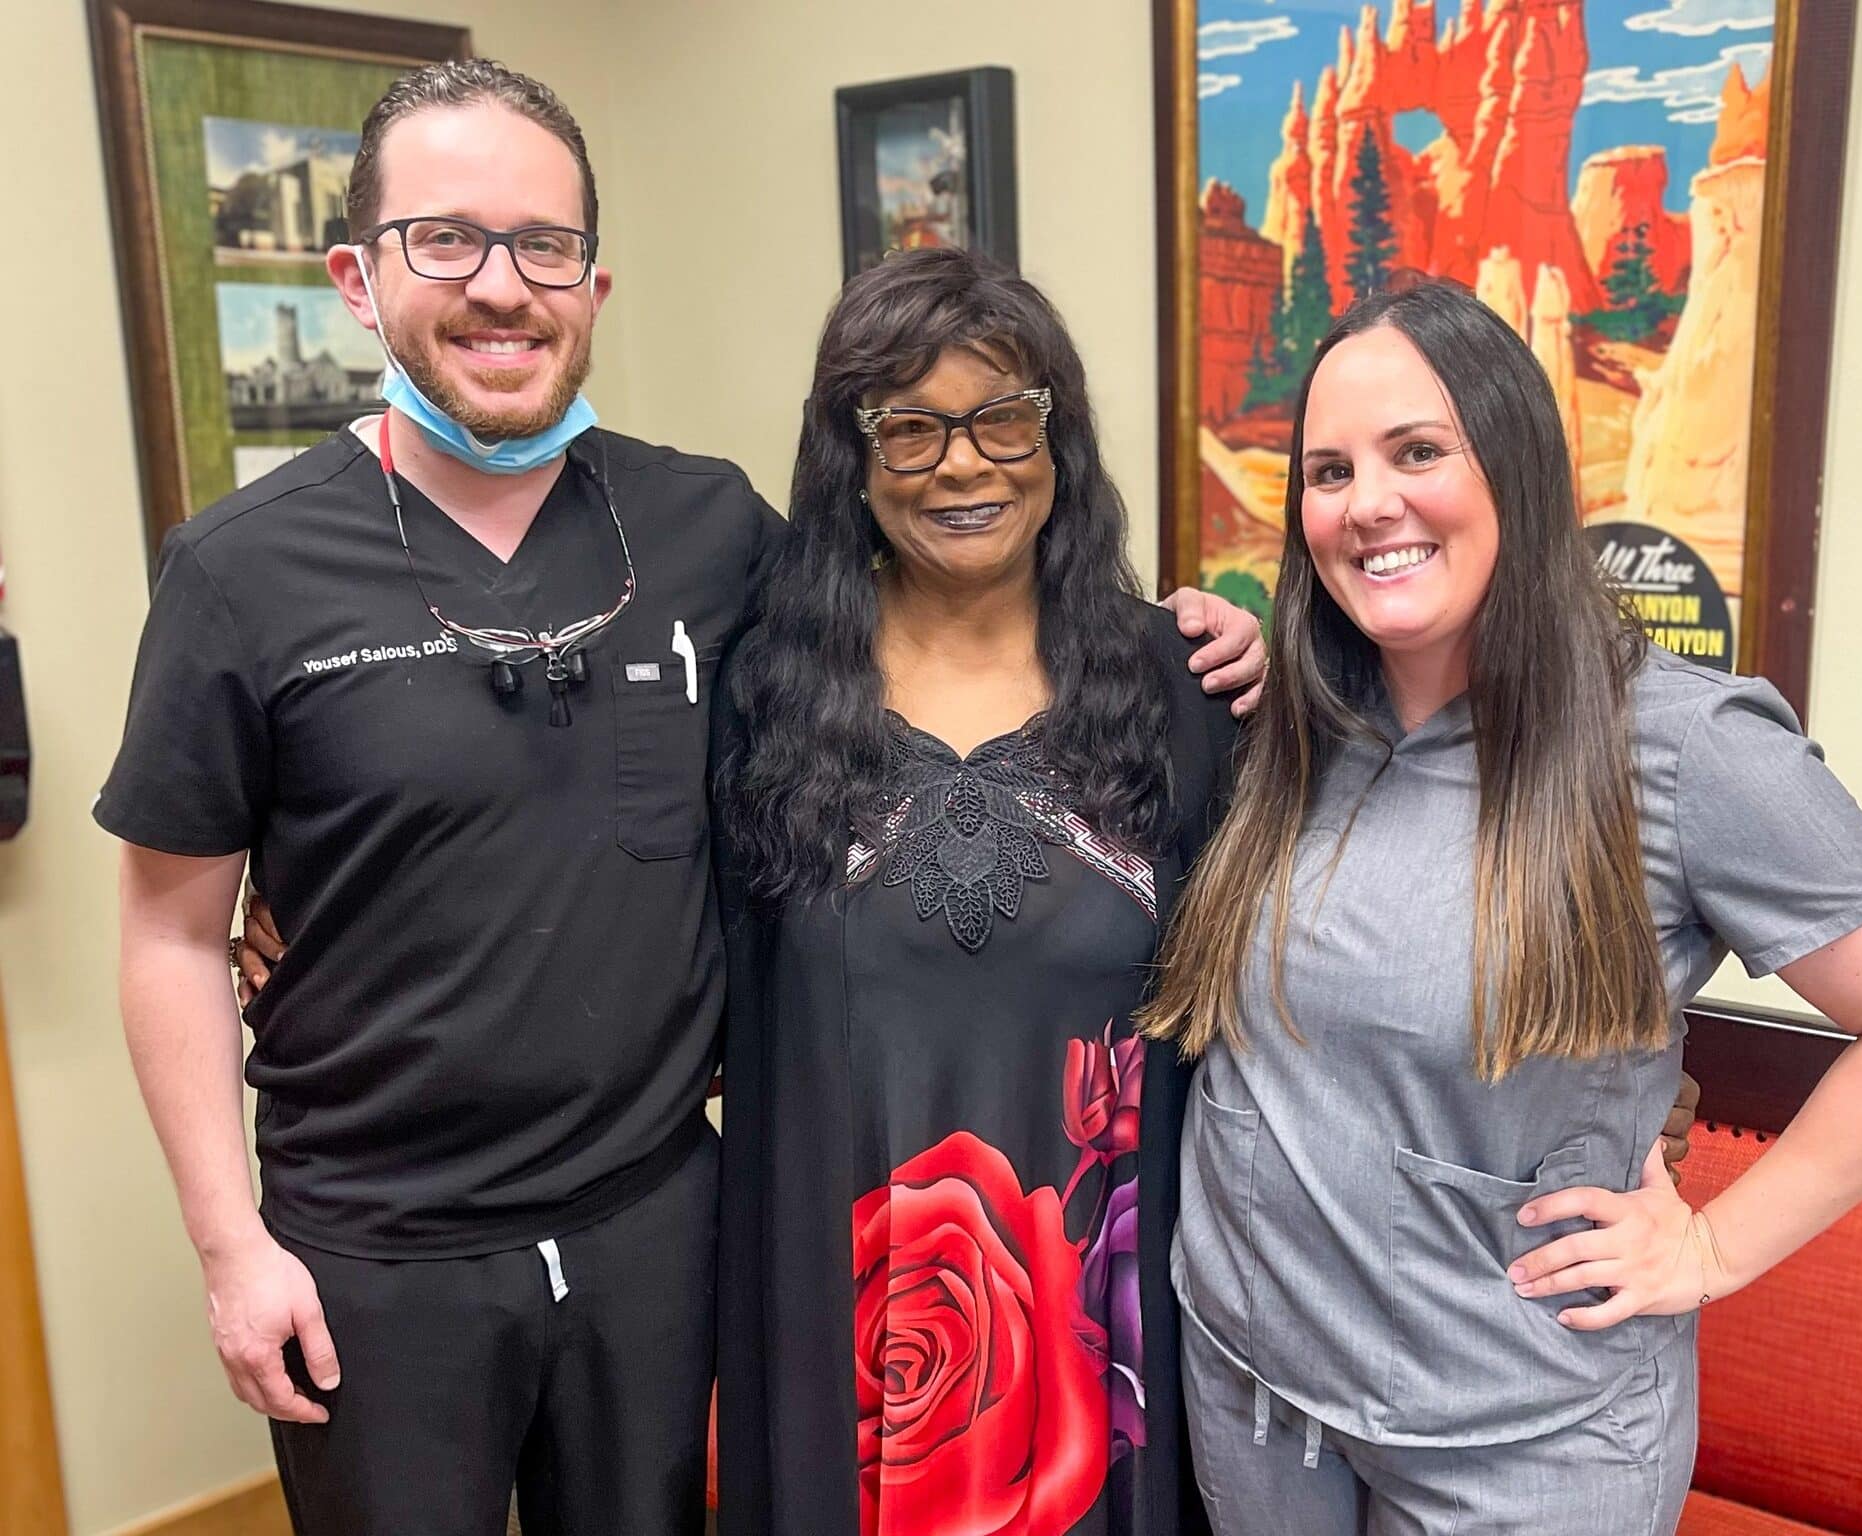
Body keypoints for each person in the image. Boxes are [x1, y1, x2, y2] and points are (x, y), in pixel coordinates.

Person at [98, 59, 1266, 1536]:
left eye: (543, 248)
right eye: (446, 241)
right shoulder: (239, 570)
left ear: (594, 282)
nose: (500, 288)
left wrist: (1223, 639)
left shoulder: (711, 536)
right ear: (355, 274)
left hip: (657, 1222)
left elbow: (939, 591)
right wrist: (228, 1242)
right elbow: (167, 933)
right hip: (382, 1251)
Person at [1141, 279, 1862, 1535]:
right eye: (1325, 472)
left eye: (1418, 451)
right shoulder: (1288, 727)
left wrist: (1710, 1252)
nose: (1367, 502)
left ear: (1516, 468)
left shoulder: (1677, 745)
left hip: (1523, 1447)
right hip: (1254, 1398)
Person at [709, 247, 1240, 1536]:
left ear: (1057, 439)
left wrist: (1616, 1072)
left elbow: (1299, 963)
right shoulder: (756, 695)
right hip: (844, 1343)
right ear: (852, 458)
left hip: (1113, 1338)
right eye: (910, 429)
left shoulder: (1187, 689)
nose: (963, 465)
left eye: (1003, 417)